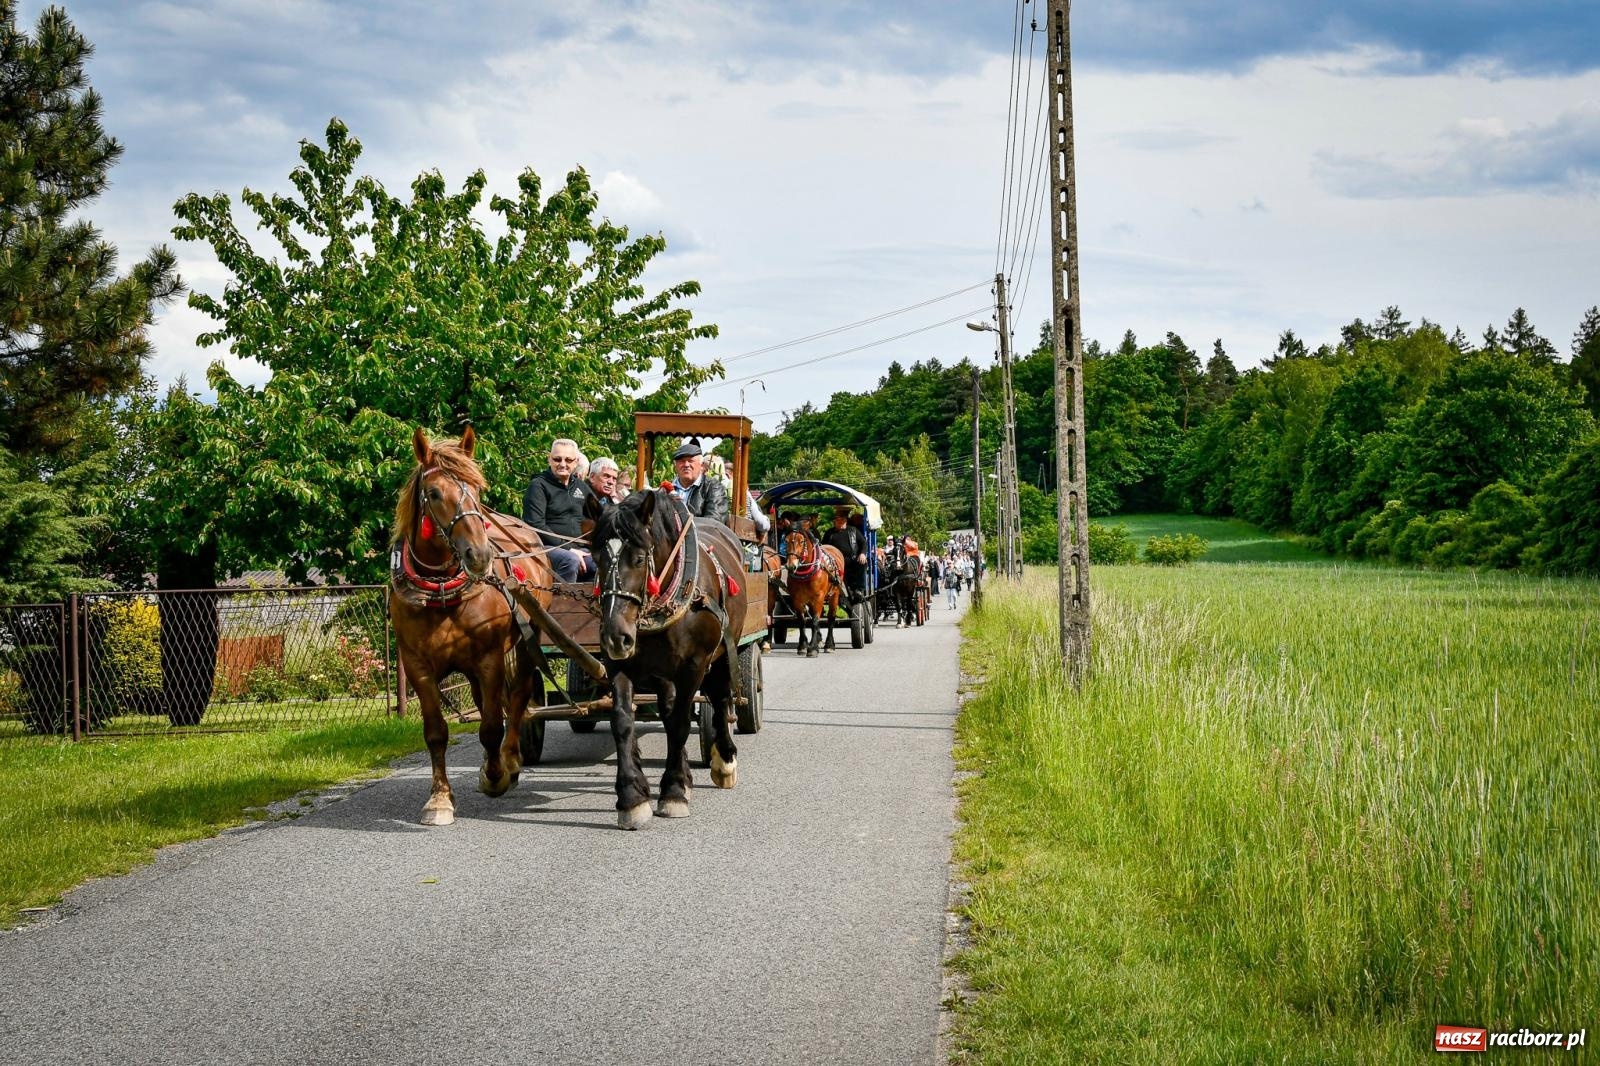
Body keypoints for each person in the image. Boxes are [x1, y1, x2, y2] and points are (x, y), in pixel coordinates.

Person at [522, 437, 596, 582]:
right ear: (549, 460)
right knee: (570, 561)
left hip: (580, 549)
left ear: (575, 463)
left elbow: (600, 515)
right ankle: (562, 603)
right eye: (557, 459)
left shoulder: (581, 487)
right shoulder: (538, 486)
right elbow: (536, 525)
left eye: (568, 460)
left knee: (603, 562)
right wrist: (569, 549)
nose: (563, 464)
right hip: (545, 547)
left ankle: (592, 605)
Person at [667, 437, 729, 523]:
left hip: (700, 535)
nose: (686, 465)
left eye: (691, 461)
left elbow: (714, 522)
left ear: (701, 465)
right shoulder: (666, 490)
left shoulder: (713, 488)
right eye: (681, 461)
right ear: (675, 466)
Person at [821, 506, 868, 603]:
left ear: (846, 521)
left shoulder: (853, 530)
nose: (840, 522)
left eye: (842, 520)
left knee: (862, 563)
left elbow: (863, 543)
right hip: (834, 562)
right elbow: (823, 547)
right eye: (837, 520)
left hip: (851, 560)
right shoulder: (829, 533)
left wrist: (862, 553)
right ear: (834, 522)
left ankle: (859, 589)